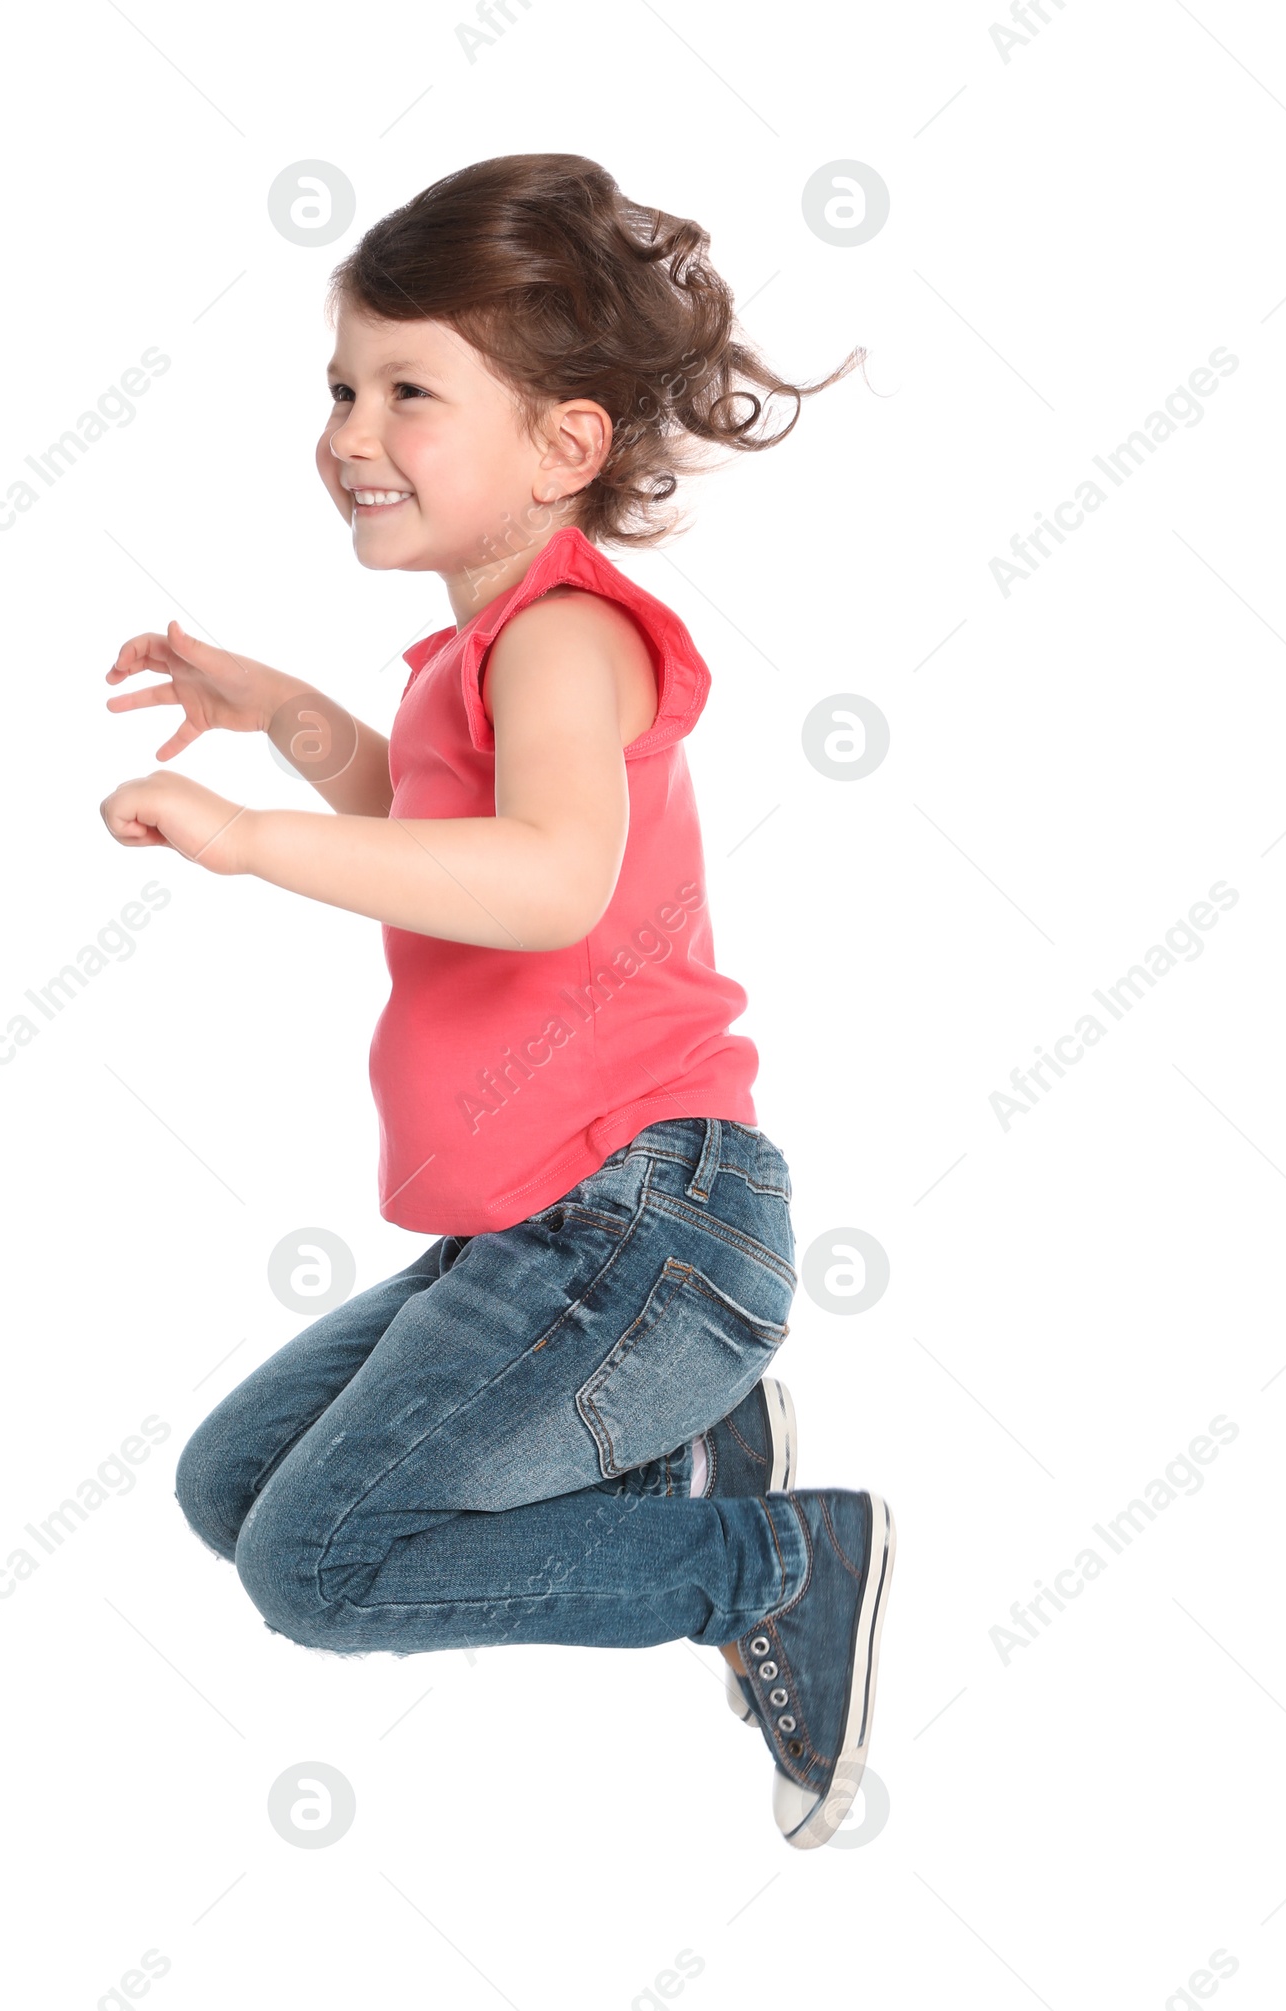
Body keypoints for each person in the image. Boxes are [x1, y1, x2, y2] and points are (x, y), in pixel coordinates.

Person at [98, 153, 893, 1849]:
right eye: (341, 386)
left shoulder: (563, 639)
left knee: (319, 1567)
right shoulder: (485, 653)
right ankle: (695, 1452)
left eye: (409, 392)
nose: (349, 432)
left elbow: (545, 880)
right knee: (232, 1490)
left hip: (639, 1225)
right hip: (554, 1229)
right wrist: (298, 721)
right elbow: (450, 832)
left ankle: (769, 1562)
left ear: (565, 446)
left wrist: (255, 840)